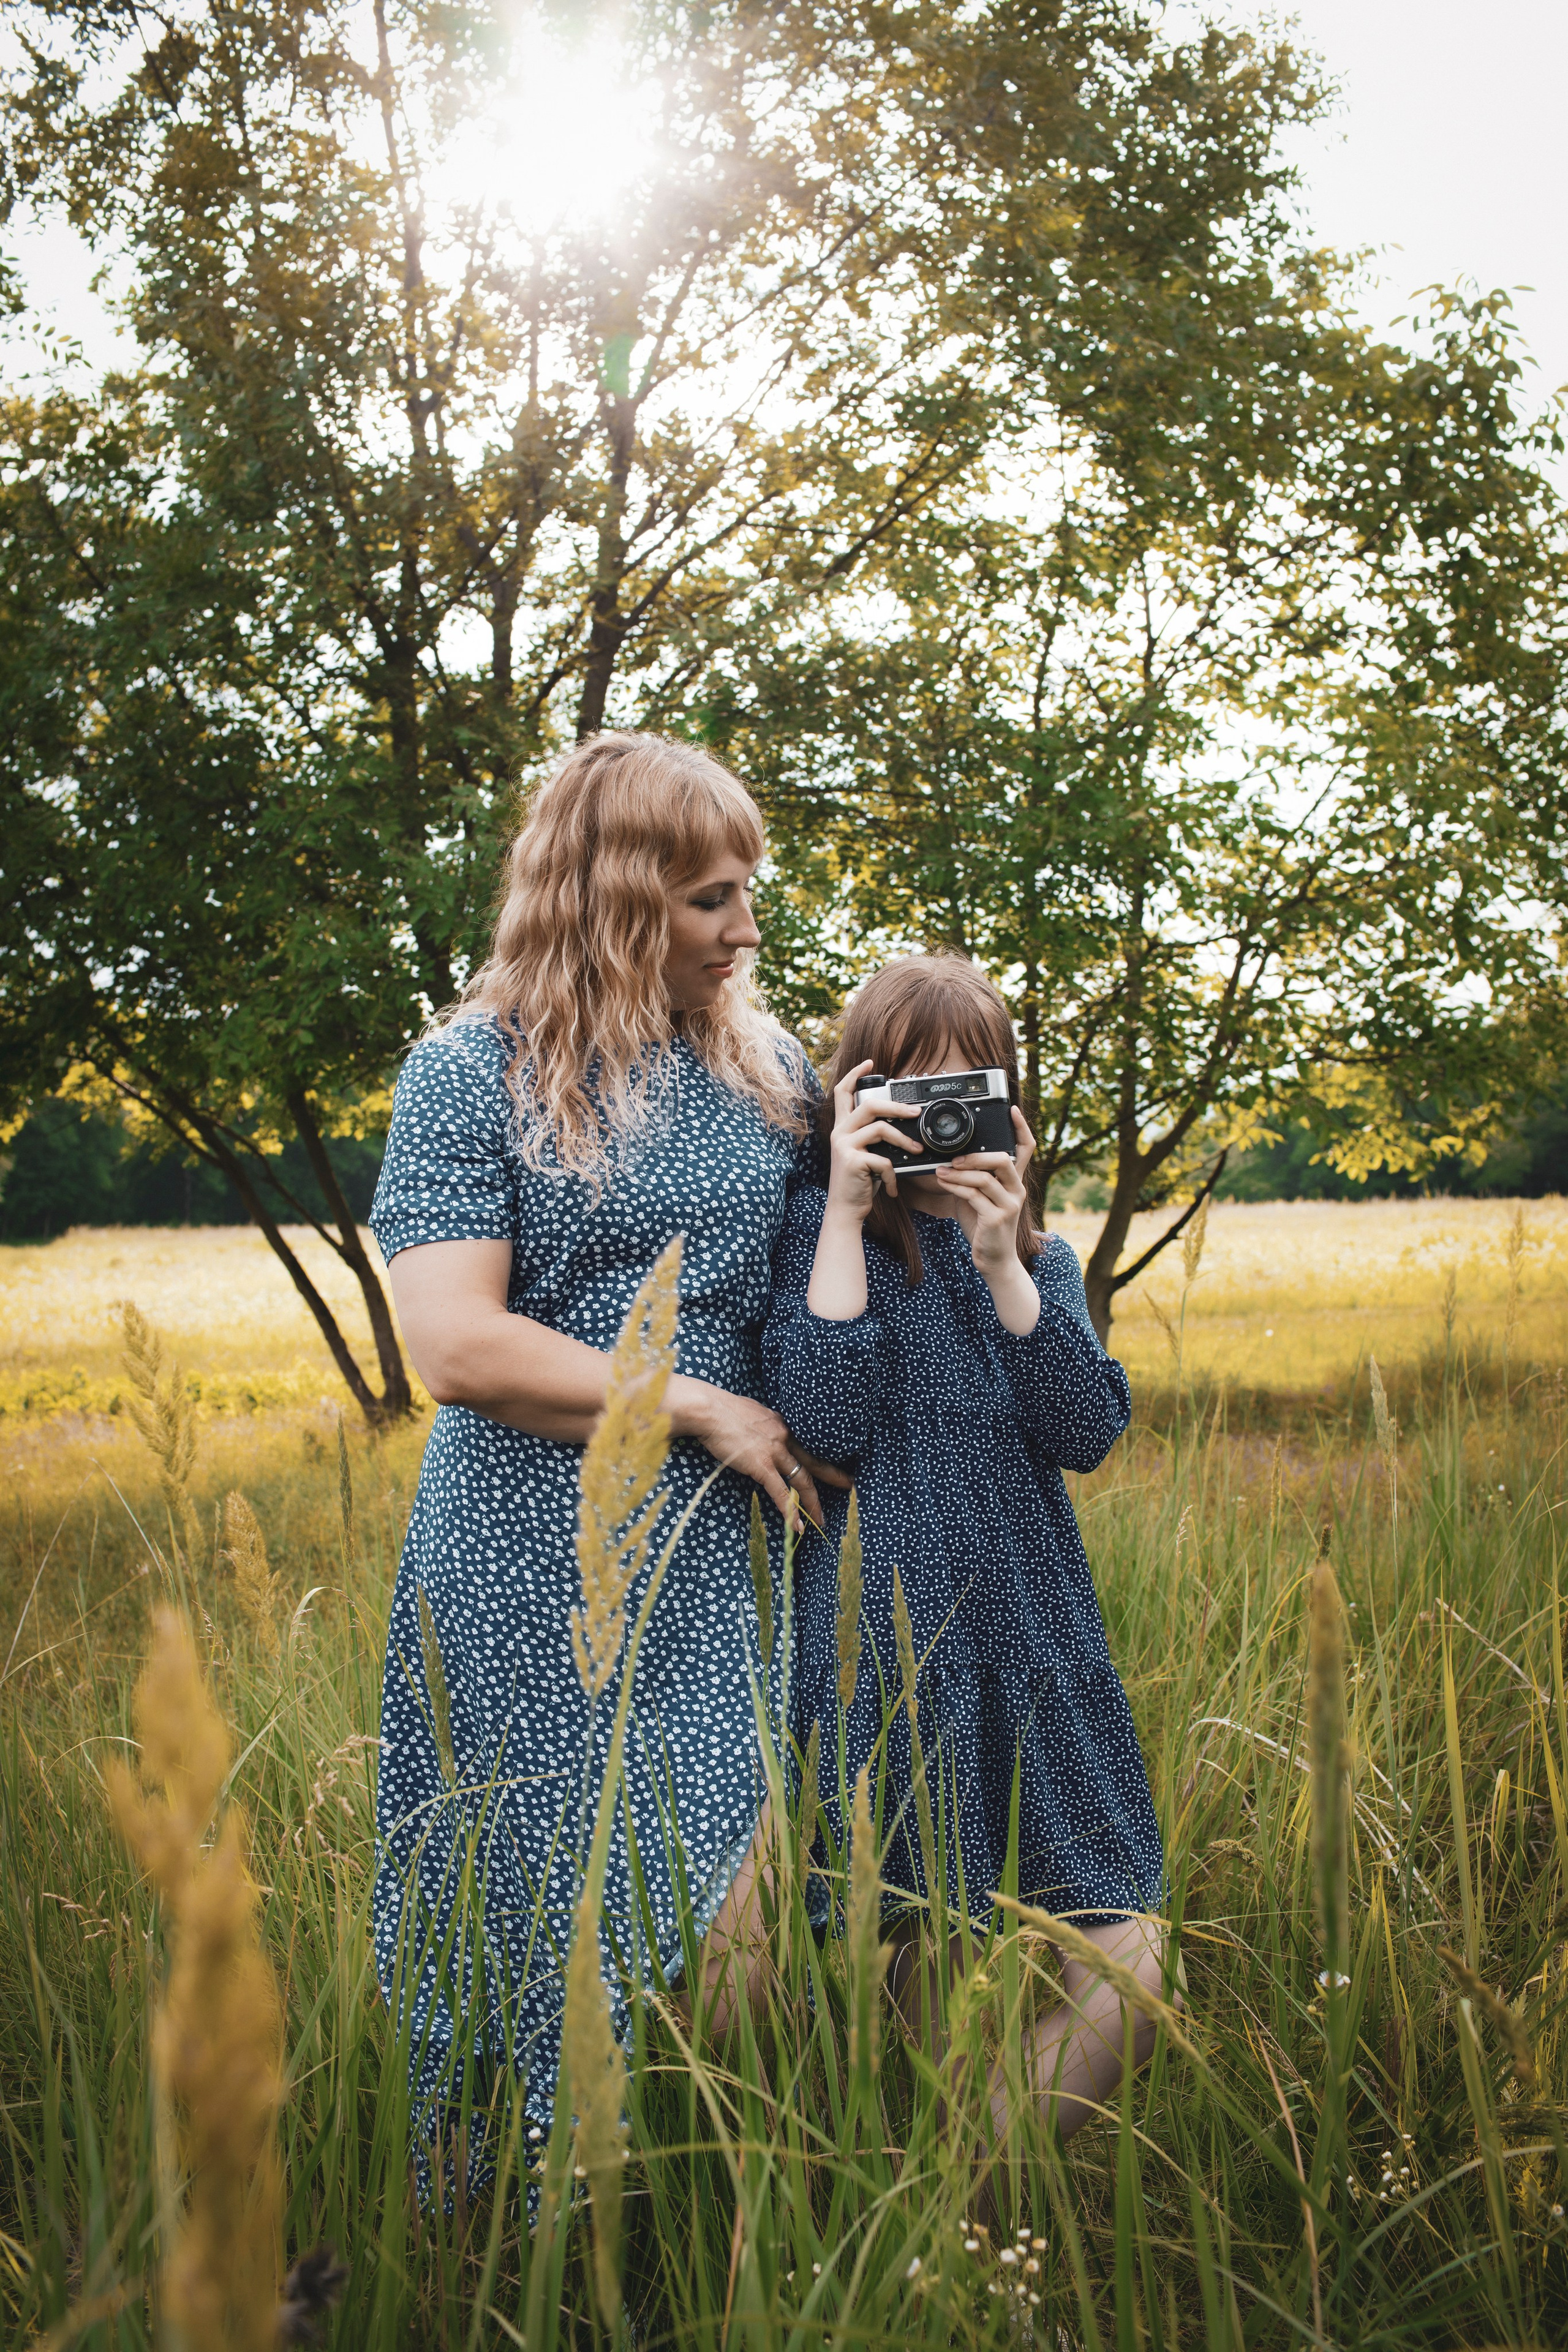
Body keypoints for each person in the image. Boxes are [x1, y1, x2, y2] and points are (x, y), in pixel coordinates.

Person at [369, 730, 838, 2164]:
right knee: (511, 1924)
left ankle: (674, 2231)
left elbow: (835, 1290)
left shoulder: (769, 1070)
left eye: (747, 890)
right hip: (517, 1564)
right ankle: (491, 2266)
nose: (744, 928)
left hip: (716, 1567)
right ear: (614, 896)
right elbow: (452, 1344)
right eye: (708, 898)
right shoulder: (473, 1070)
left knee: (732, 1934)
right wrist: (692, 1401)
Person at [761, 954, 1170, 2144]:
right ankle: (954, 2260)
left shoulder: (1033, 1263)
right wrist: (841, 1208)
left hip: (1036, 1649)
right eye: (908, 1097)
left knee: (1131, 1959)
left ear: (1005, 1102)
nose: (938, 1130)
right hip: (882, 1664)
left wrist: (1002, 1263)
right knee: (921, 1980)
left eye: (965, 1097)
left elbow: (1084, 1431)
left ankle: (951, 2192)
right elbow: (824, 1425)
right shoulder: (819, 1239)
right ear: (855, 1100)